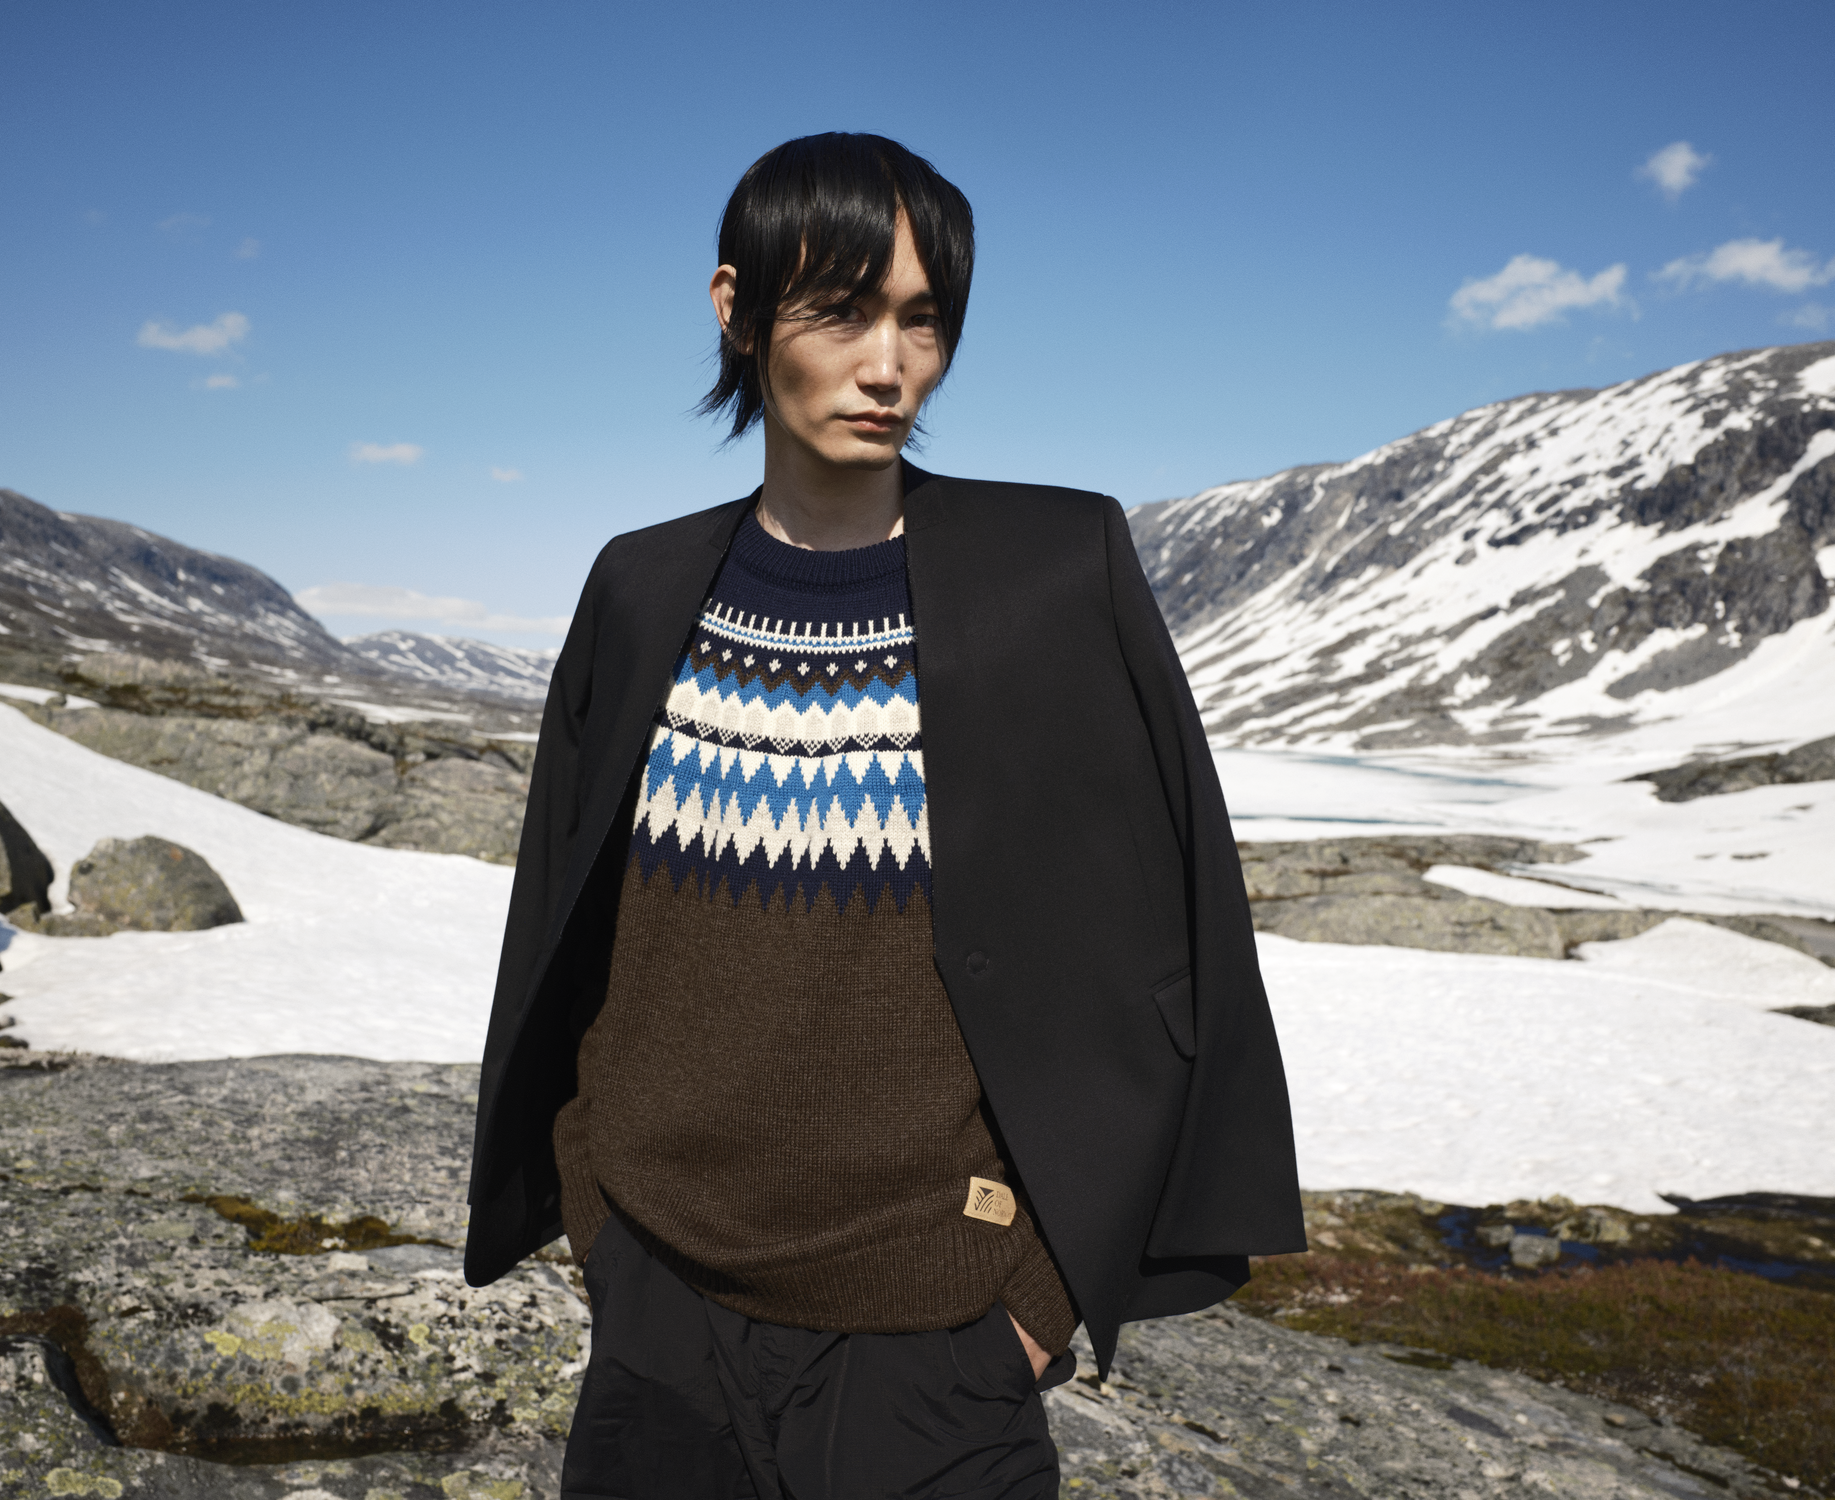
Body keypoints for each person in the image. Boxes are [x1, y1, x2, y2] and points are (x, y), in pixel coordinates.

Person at [463, 132, 1304, 1500]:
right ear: (736, 310)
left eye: (924, 319)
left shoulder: (1053, 568)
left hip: (936, 1339)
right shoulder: (639, 585)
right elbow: (568, 928)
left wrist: (1033, 1297)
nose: (888, 364)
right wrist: (594, 1207)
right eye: (841, 310)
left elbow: (1170, 944)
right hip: (658, 1307)